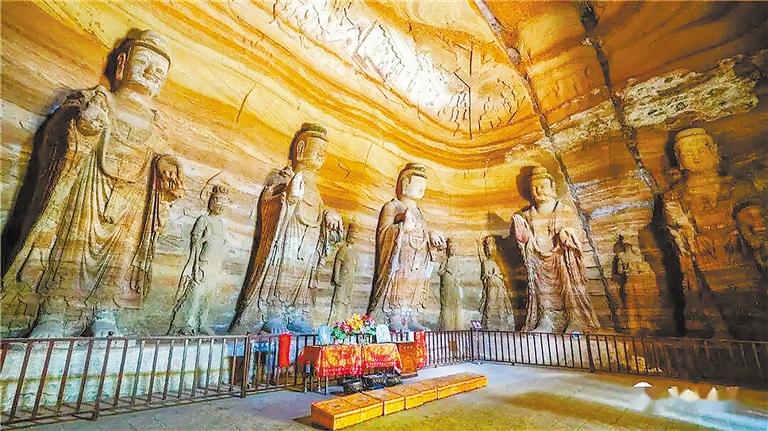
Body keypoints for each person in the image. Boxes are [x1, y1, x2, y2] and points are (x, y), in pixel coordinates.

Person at [1, 30, 184, 338]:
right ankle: (53, 313)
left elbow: (163, 155)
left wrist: (168, 169)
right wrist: (82, 126)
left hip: (133, 198)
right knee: (71, 244)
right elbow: (61, 130)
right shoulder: (100, 99)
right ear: (121, 64)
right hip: (89, 184)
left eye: (160, 71)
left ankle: (104, 314)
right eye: (144, 62)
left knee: (120, 255)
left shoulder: (156, 123)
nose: (152, 72)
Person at [230, 123, 343, 334]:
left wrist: (329, 215)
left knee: (302, 273)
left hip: (308, 240)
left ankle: (295, 313)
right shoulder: (281, 177)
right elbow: (268, 202)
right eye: (318, 149)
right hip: (287, 235)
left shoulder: (315, 189)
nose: (322, 155)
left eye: (324, 152)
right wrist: (288, 198)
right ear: (300, 149)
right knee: (282, 266)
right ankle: (272, 312)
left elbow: (318, 211)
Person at [512, 166, 598, 333]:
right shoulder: (528, 215)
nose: (538, 191)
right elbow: (526, 239)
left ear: (552, 187)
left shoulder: (564, 210)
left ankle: (575, 319)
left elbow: (577, 233)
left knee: (569, 289)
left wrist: (568, 233)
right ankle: (546, 319)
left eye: (542, 186)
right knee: (542, 291)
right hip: (537, 260)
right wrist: (523, 239)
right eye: (534, 188)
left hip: (562, 258)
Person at [367, 163, 446, 332]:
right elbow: (384, 232)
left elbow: (422, 234)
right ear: (404, 184)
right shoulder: (392, 206)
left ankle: (411, 316)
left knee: (415, 284)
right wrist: (401, 228)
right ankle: (393, 316)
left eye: (424, 185)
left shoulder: (420, 213)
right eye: (418, 184)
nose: (422, 189)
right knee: (399, 281)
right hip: (400, 257)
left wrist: (432, 237)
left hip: (418, 256)